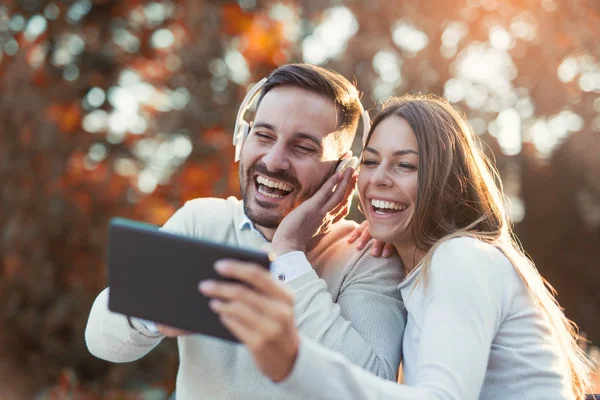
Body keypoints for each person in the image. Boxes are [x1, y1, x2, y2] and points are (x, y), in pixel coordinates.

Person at [201, 94, 593, 399]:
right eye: (371, 162)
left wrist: (293, 357)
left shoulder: (461, 258)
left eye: (405, 165)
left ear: (445, 181)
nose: (380, 180)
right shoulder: (419, 270)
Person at [84, 64, 406, 399]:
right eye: (264, 136)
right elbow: (101, 341)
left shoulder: (368, 256)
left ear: (343, 171)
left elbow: (373, 385)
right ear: (243, 137)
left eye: (303, 147)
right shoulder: (202, 222)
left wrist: (289, 254)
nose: (274, 160)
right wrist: (151, 315)